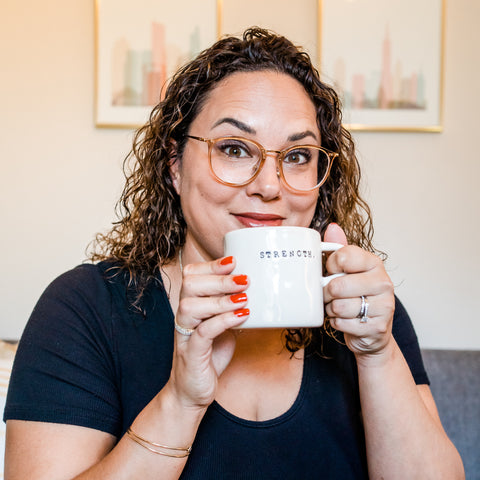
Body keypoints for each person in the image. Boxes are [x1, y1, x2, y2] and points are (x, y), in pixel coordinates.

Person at [4, 28, 464, 479]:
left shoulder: (359, 310)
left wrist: (378, 354)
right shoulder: (84, 309)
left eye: (298, 155)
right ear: (174, 167)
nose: (268, 186)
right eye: (234, 149)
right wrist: (180, 402)